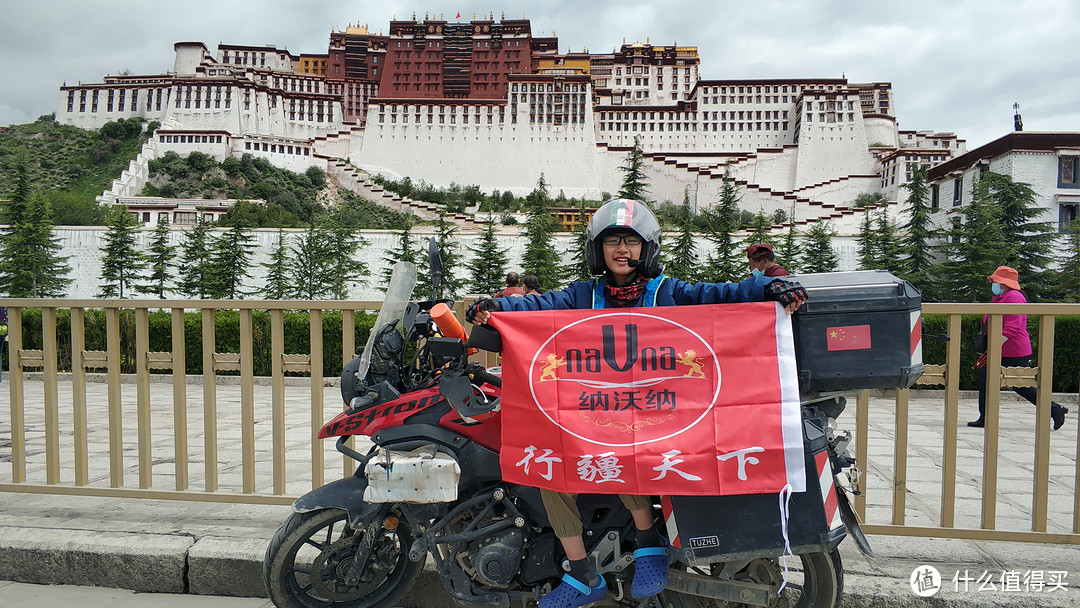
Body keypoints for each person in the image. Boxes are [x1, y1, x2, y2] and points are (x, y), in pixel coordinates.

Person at [467, 198, 807, 608]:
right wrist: (498, 306)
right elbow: (540, 305)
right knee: (548, 466)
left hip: (657, 413)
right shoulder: (585, 295)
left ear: (647, 248)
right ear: (599, 250)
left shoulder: (666, 291)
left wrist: (768, 287)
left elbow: (719, 296)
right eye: (613, 242)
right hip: (594, 411)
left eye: (631, 241)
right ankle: (581, 573)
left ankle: (649, 542)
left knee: (626, 450)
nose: (622, 250)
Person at [967, 266, 1068, 430]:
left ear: (1003, 282)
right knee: (986, 379)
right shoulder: (1004, 296)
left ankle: (1055, 410)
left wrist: (994, 345)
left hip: (1012, 350)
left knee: (1021, 386)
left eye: (995, 280)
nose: (992, 282)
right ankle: (985, 417)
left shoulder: (1013, 296)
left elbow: (1012, 327)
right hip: (1001, 349)